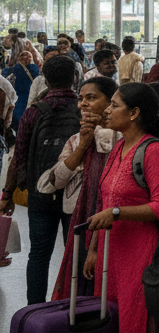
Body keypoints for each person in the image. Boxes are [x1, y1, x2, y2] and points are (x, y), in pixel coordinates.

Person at [83, 83, 159, 333]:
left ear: (134, 113)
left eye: (114, 105)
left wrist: (118, 213)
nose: (106, 110)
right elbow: (104, 201)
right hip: (112, 257)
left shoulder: (154, 151)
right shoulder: (119, 147)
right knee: (117, 330)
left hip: (142, 258)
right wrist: (93, 249)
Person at [1, 55, 81, 304]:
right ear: (75, 78)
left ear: (45, 78)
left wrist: (8, 194)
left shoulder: (33, 113)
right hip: (76, 195)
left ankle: (34, 311)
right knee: (76, 255)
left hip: (40, 193)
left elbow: (19, 157)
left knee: (39, 256)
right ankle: (73, 308)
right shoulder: (83, 110)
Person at [38, 76, 120, 299]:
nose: (83, 104)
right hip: (79, 221)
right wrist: (84, 144)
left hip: (115, 223)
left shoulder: (123, 138)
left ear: (110, 103)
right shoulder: (76, 140)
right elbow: (52, 182)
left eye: (91, 98)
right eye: (81, 99)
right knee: (80, 284)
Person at [2, 47, 40, 125]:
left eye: (28, 56)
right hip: (24, 98)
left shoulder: (33, 69)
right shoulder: (35, 69)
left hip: (22, 99)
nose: (25, 58)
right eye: (22, 56)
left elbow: (5, 74)